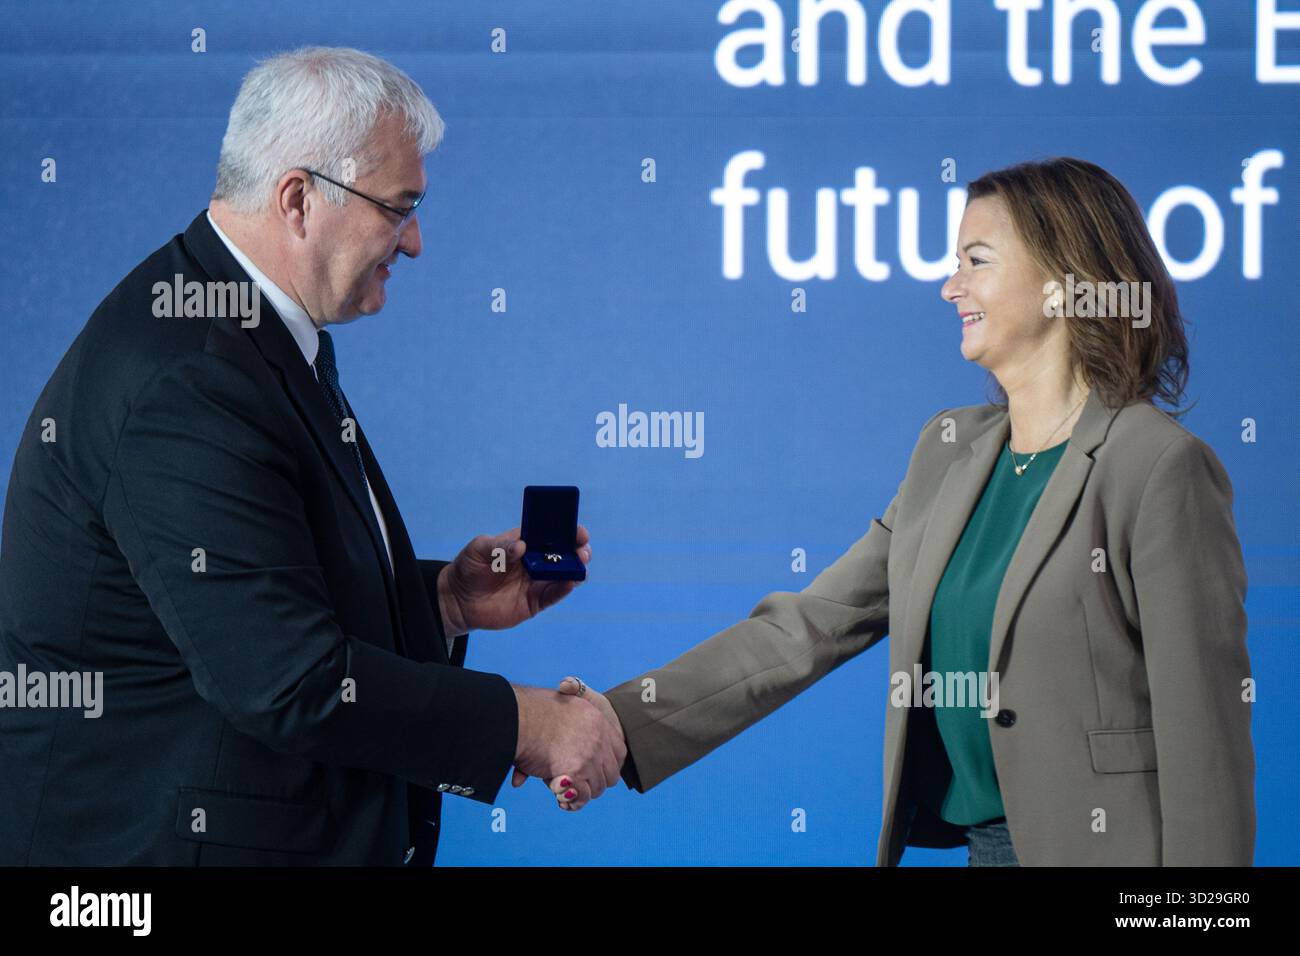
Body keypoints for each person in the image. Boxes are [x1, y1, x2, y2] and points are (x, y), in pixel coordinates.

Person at [0, 46, 625, 866]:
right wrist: (525, 722)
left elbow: (258, 588)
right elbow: (286, 680)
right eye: (398, 209)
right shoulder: (187, 375)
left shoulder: (246, 326)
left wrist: (442, 603)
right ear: (298, 199)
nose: (414, 244)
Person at [547, 157, 1254, 867]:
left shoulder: (1158, 467)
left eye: (976, 261)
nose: (951, 287)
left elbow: (1206, 743)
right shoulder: (946, 454)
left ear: (1063, 279)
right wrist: (623, 717)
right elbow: (809, 625)